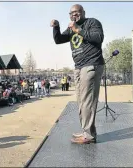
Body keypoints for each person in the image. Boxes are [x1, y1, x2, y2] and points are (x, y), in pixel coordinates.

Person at [50, 4, 104, 144]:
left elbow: (98, 38)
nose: (74, 15)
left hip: (92, 64)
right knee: (81, 101)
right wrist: (56, 27)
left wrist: (78, 30)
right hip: (78, 67)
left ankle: (89, 135)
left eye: (77, 12)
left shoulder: (92, 22)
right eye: (71, 13)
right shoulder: (71, 28)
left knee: (87, 101)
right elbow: (58, 40)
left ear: (83, 12)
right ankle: (87, 131)